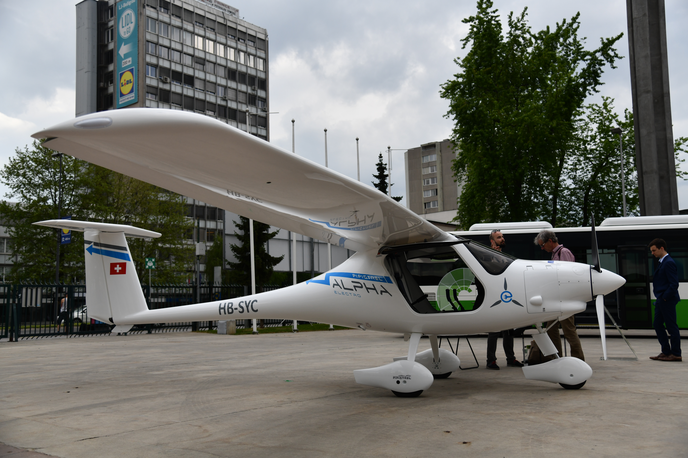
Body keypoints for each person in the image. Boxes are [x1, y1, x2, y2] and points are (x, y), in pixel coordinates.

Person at [533, 230, 585, 361]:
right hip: (556, 300)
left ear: (550, 241)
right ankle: (556, 357)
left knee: (569, 330)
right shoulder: (555, 254)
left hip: (564, 300)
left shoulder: (564, 252)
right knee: (550, 329)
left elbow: (568, 276)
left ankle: (578, 358)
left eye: (543, 245)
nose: (542, 248)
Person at [486, 229, 523, 369]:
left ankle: (511, 358)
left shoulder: (504, 255)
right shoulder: (486, 256)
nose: (502, 239)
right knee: (494, 331)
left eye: (502, 237)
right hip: (493, 298)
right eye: (499, 237)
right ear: (492, 241)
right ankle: (491, 360)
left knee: (508, 331)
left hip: (506, 296)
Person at [648, 238, 682, 362]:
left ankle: (676, 353)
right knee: (657, 324)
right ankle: (666, 352)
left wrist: (664, 298)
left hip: (666, 300)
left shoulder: (668, 262)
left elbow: (674, 284)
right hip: (661, 300)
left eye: (654, 250)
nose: (652, 253)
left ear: (662, 248)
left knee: (671, 327)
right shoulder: (663, 262)